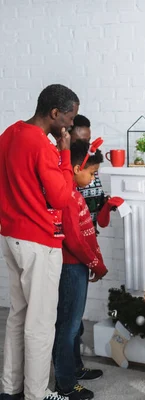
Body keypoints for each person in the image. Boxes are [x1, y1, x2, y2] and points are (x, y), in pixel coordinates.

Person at [0, 84, 79, 400]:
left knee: (18, 314)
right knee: (41, 322)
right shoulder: (42, 146)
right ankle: (36, 393)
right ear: (56, 113)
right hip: (38, 241)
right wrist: (65, 153)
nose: (71, 125)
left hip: (11, 236)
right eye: (69, 117)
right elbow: (61, 197)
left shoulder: (9, 134)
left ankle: (10, 387)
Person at [52, 140, 109, 400]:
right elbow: (73, 239)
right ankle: (65, 383)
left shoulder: (74, 191)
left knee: (74, 324)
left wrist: (94, 259)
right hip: (70, 266)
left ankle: (75, 368)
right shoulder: (66, 195)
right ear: (76, 168)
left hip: (79, 265)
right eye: (92, 172)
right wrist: (95, 263)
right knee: (68, 324)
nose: (93, 177)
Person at [69, 115, 109, 232]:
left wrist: (105, 203)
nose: (87, 147)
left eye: (88, 141)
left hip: (90, 234)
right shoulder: (57, 166)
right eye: (81, 142)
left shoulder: (88, 165)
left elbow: (96, 202)